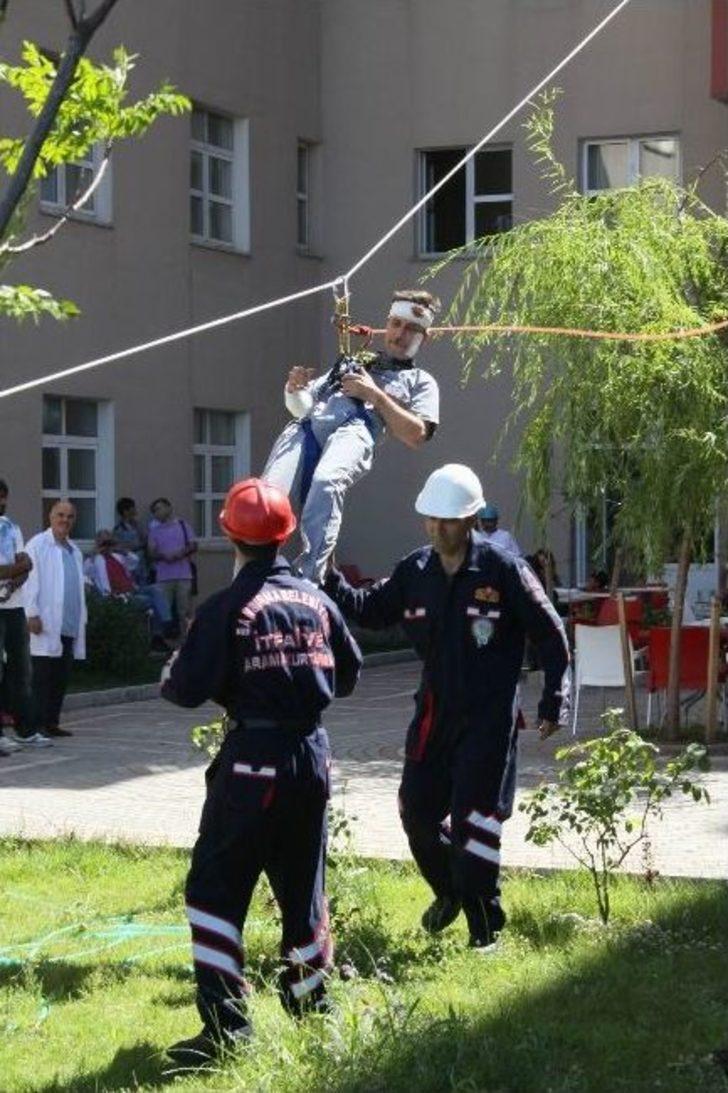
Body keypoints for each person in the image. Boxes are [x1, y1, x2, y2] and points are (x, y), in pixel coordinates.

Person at [324, 464, 569, 949]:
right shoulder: (415, 570)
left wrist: (553, 697)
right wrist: (327, 573)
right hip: (434, 713)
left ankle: (484, 931)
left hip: (488, 717)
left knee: (474, 823)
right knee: (415, 811)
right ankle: (449, 893)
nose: (438, 529)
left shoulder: (504, 570)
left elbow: (551, 634)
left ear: (472, 517)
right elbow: (369, 609)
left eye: (449, 520)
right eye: (431, 519)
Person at [162, 478, 361, 1068]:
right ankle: (311, 1006)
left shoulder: (224, 609)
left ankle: (227, 1030)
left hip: (252, 762)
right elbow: (347, 675)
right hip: (311, 756)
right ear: (288, 534)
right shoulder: (317, 600)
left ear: (229, 534)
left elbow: (182, 688)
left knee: (214, 891)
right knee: (303, 888)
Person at [263, 289, 441, 581]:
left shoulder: (420, 381)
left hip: (355, 431)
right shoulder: (357, 360)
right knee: (267, 498)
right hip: (307, 427)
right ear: (387, 324)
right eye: (396, 324)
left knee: (327, 482)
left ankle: (309, 576)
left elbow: (417, 435)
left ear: (425, 337)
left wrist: (375, 395)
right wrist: (294, 390)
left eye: (411, 329)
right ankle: (255, 571)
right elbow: (304, 407)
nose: (400, 334)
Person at [23, 500, 87, 740]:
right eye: (60, 515)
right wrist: (31, 613)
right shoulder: (38, 545)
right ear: (50, 516)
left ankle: (51, 722)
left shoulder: (74, 550)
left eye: (70, 516)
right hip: (45, 623)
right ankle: (35, 725)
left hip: (68, 624)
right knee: (42, 677)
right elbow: (30, 582)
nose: (65, 520)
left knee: (60, 677)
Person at [86, 529, 171, 650]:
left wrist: (120, 549)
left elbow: (135, 561)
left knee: (156, 590)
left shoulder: (118, 556)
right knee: (149, 602)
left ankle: (166, 622)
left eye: (108, 541)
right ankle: (158, 636)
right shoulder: (95, 560)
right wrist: (96, 552)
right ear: (97, 542)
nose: (106, 545)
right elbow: (85, 572)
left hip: (132, 589)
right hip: (119, 596)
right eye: (103, 542)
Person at [0, 479, 34, 754]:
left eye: (2, 497)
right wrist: (16, 568)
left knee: (21, 669)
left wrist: (12, 581)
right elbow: (20, 564)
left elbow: (27, 564)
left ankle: (25, 730)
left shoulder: (12, 527)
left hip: (14, 606)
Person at [146, 498, 197, 635]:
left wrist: (180, 554)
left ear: (169, 508)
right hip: (163, 576)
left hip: (183, 575)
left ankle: (187, 640)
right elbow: (151, 552)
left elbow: (193, 545)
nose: (157, 513)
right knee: (163, 611)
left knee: (184, 610)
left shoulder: (183, 525)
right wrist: (164, 556)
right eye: (154, 511)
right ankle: (164, 642)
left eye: (159, 509)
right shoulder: (154, 531)